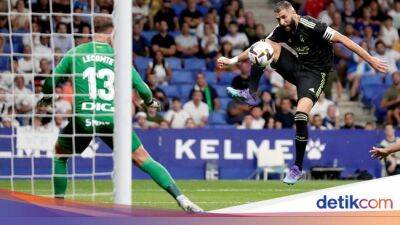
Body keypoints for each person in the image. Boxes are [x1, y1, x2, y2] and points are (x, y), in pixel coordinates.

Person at [40, 16, 202, 213]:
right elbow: (143, 89)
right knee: (144, 159)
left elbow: (50, 82)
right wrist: (150, 102)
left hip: (84, 119)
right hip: (112, 120)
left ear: (93, 31)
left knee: (60, 155)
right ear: (112, 33)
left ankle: (58, 207)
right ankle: (182, 198)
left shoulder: (75, 53)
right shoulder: (118, 57)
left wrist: (47, 99)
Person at [217, 1, 388, 185]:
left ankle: (297, 167)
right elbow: (256, 48)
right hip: (298, 68)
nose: (282, 22)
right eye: (278, 18)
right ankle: (251, 93)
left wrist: (370, 59)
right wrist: (231, 60)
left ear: (293, 12)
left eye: (284, 17)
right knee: (264, 46)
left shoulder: (312, 25)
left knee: (300, 116)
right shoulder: (281, 29)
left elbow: (343, 39)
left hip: (315, 75)